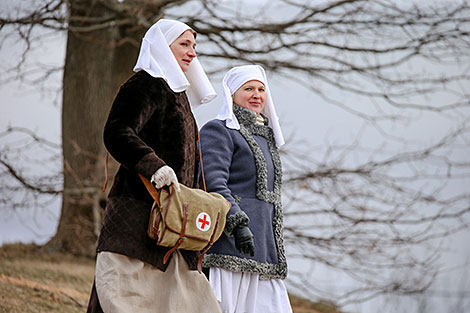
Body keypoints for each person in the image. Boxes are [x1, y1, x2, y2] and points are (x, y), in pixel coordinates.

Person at [86, 19, 222, 313]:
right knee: (122, 297)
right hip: (138, 213)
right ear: (162, 46)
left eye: (194, 46)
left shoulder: (179, 96)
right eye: (184, 44)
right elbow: (117, 131)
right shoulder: (145, 83)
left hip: (173, 221)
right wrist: (154, 167)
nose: (192, 53)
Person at [199, 65, 292, 313]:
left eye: (261, 89)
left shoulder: (267, 137)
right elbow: (212, 181)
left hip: (265, 248)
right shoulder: (219, 130)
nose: (256, 95)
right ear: (231, 94)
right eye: (248, 88)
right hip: (229, 243)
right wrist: (238, 224)